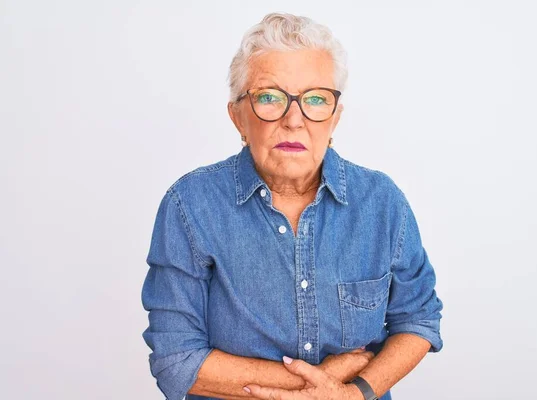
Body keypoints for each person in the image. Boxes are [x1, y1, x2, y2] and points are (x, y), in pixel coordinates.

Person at [141, 12, 444, 400]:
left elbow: (418, 319)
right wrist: (323, 380)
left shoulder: (382, 202)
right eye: (269, 97)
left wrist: (354, 393)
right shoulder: (190, 206)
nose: (294, 120)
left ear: (334, 118)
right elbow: (177, 361)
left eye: (316, 99)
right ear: (237, 117)